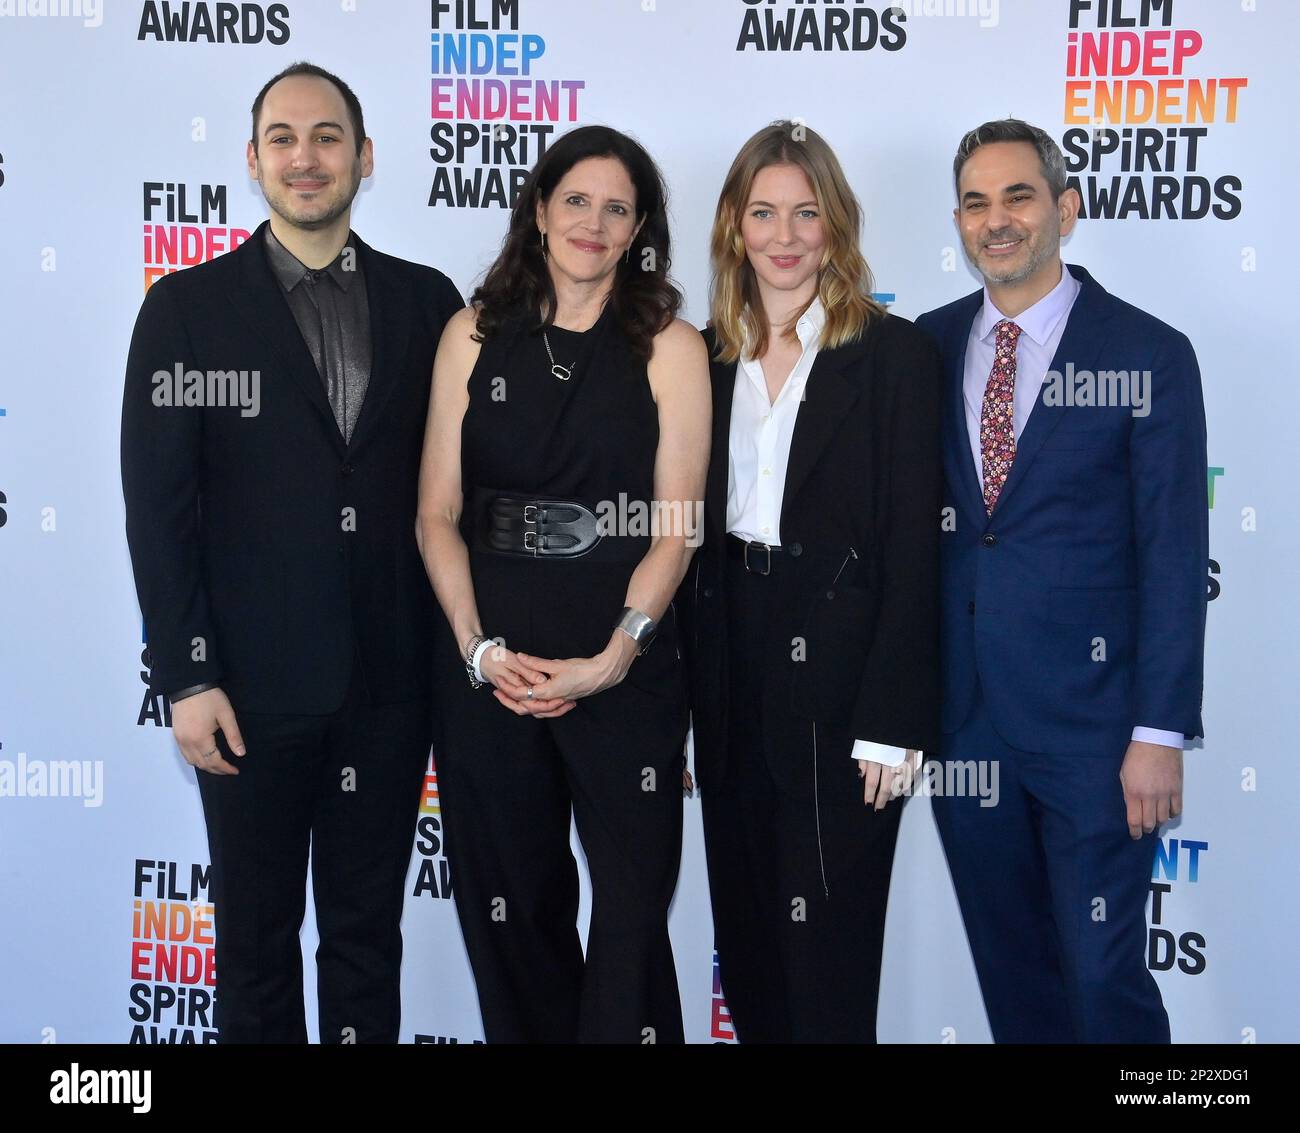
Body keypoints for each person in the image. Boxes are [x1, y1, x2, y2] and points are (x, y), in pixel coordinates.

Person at [121, 63, 463, 1043]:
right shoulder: (186, 310)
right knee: (255, 946)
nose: (304, 157)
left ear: (364, 157)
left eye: (325, 137)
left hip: (392, 691)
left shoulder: (428, 303)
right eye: (283, 137)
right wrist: (187, 675)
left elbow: (456, 493)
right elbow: (159, 509)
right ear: (252, 160)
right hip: (247, 698)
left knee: (367, 941)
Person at [916, 118, 1208, 1043]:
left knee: (1102, 978)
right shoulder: (920, 349)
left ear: (1065, 210)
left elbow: (1172, 554)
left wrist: (1159, 732)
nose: (995, 220)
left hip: (1099, 731)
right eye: (975, 201)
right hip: (964, 721)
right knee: (1015, 974)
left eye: (1017, 196)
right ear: (958, 223)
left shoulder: (1149, 353)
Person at [416, 125, 710, 1043]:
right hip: (490, 659)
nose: (593, 221)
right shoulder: (470, 334)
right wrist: (475, 648)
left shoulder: (670, 344)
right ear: (539, 209)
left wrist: (616, 656)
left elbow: (678, 528)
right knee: (512, 911)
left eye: (617, 207)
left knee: (629, 912)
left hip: (626, 661)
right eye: (575, 200)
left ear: (638, 230)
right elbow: (435, 512)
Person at [674, 121, 942, 1043]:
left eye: (806, 213)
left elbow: (917, 547)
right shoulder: (699, 358)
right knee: (748, 938)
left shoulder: (896, 356)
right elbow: (680, 546)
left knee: (829, 949)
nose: (784, 236)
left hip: (844, 676)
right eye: (763, 213)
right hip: (725, 659)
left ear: (837, 226)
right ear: (732, 227)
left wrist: (894, 719)